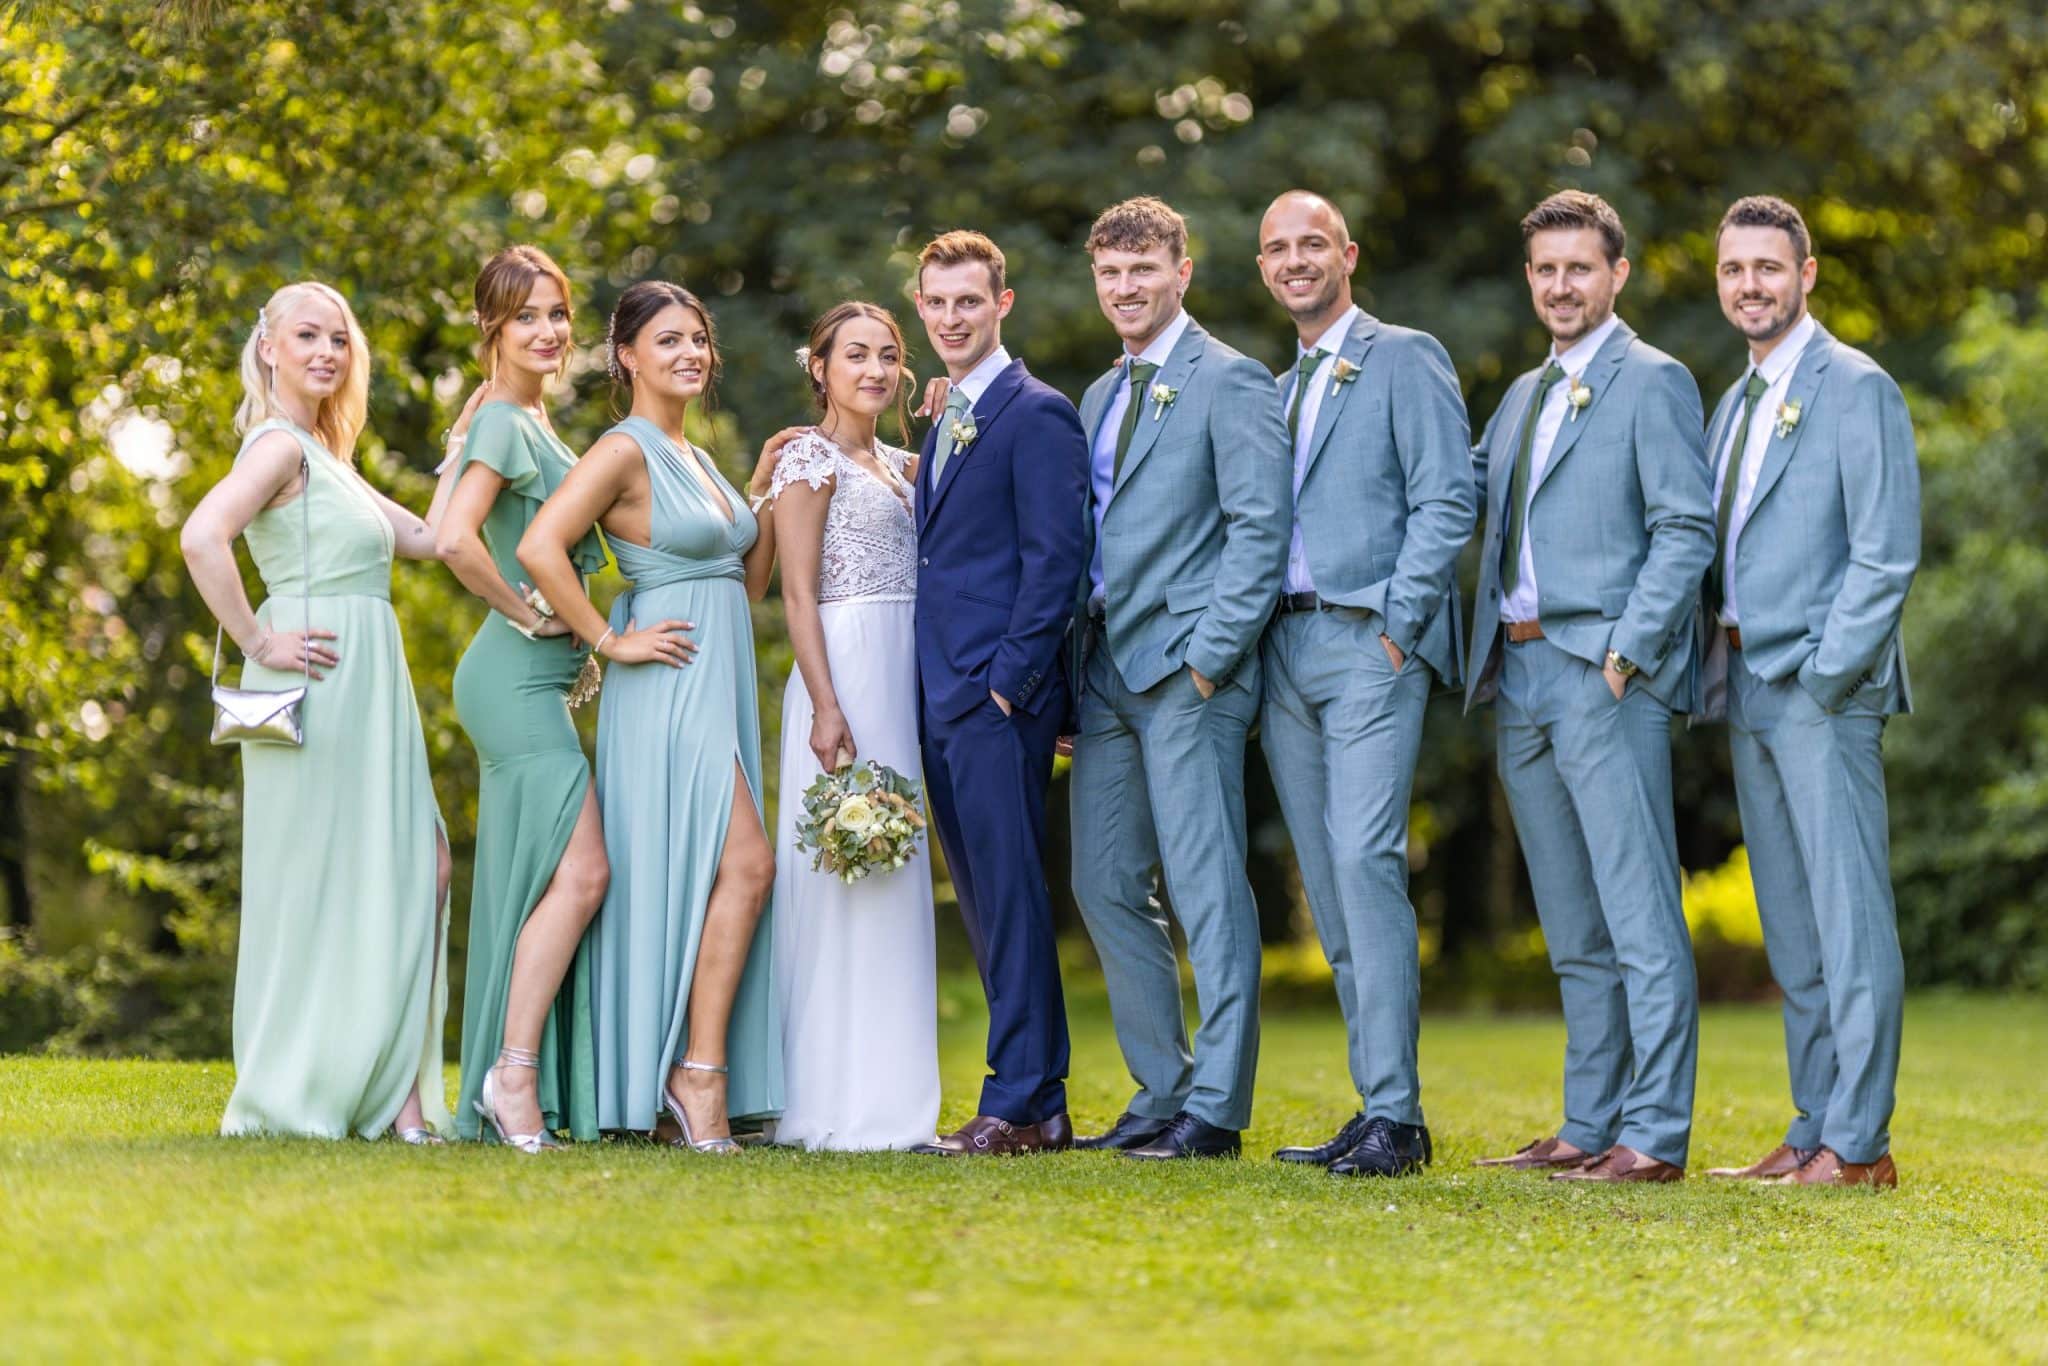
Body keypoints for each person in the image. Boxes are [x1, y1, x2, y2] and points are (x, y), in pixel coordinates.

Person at [1465, 191, 1715, 1183]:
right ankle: (1585, 1121)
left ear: (1615, 273)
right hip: (1516, 673)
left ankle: (1652, 1134)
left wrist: (1622, 654)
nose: (1559, 285)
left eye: (1577, 267)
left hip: (1600, 675)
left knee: (1638, 913)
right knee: (1570, 921)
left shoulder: (1651, 381)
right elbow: (1458, 488)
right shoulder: (1522, 394)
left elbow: (1683, 530)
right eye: (1543, 269)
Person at [181, 281, 463, 1141]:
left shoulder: (325, 456)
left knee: (417, 867)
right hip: (317, 683)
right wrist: (257, 640)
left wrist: (467, 445)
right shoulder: (274, 447)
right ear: (269, 347)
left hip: (367, 681)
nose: (327, 353)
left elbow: (424, 539)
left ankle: (394, 1093)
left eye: (339, 339)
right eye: (307, 336)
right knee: (339, 883)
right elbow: (201, 535)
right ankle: (347, 1089)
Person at [517, 282, 780, 1152]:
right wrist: (605, 640)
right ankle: (694, 1078)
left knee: (724, 871)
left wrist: (769, 495)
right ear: (626, 356)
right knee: (746, 864)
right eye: (669, 341)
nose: (691, 354)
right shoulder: (625, 449)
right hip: (667, 679)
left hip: (721, 671)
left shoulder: (695, 456)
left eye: (699, 340)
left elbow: (741, 584)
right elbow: (539, 545)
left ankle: (692, 1071)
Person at [1251, 191, 1475, 1177]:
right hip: (1283, 654)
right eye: (1275, 249)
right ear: (1262, 267)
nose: (1294, 260)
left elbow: (1445, 495)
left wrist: (1396, 629)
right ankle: (1371, 1101)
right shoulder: (1274, 385)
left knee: (1367, 858)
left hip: (1365, 643)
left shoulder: (1402, 353)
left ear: (1346, 252)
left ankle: (1399, 1115)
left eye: (1310, 244)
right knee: (1327, 885)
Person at [1695, 196, 1917, 1189]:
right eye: (1734, 269)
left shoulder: (1852, 386)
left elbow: (1882, 554)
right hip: (1743, 681)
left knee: (1846, 919)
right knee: (1790, 924)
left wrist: (1826, 673)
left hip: (1819, 689)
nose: (1750, 284)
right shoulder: (1730, 402)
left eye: (1766, 268)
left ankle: (1858, 1145)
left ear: (1806, 273)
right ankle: (1809, 1126)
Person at [1067, 196, 1292, 1160]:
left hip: (1189, 670)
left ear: (1182, 273)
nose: (1127, 288)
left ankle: (1216, 1109)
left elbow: (1259, 532)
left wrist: (1210, 658)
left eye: (1144, 271)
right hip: (1105, 670)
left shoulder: (1231, 380)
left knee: (1206, 886)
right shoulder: (1096, 396)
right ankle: (1159, 1091)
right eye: (1112, 274)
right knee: (1105, 882)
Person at [903, 232, 1089, 1157]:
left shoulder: (1038, 412)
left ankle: (1015, 1100)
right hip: (939, 695)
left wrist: (1011, 690)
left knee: (1010, 896)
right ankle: (1039, 1105)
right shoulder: (946, 415)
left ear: (1001, 304)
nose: (949, 319)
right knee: (984, 899)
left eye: (966, 302)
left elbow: (1057, 561)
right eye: (935, 304)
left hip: (993, 700)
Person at [434, 246, 609, 1151]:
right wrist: (532, 612)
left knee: (549, 879)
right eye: (526, 317)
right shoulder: (506, 421)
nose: (548, 331)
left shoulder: (526, 418)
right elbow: (452, 539)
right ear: (492, 329)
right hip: (510, 676)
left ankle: (523, 1074)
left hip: (533, 682)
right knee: (582, 874)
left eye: (557, 314)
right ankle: (513, 1076)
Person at [761, 301, 942, 1151]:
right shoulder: (807, 458)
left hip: (903, 671)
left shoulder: (908, 464)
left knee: (897, 869)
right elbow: (794, 590)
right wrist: (826, 703)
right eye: (856, 355)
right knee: (844, 870)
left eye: (888, 356)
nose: (874, 370)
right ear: (821, 367)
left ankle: (898, 1096)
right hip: (844, 665)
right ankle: (832, 1097)